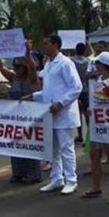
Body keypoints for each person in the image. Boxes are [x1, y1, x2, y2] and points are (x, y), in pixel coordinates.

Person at [29, 34, 82, 195]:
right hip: (50, 112)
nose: (43, 46)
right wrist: (34, 96)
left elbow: (76, 87)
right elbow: (48, 90)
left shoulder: (65, 63)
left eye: (45, 43)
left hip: (63, 112)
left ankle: (71, 180)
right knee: (53, 149)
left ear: (55, 45)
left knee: (66, 148)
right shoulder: (49, 64)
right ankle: (56, 179)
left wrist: (60, 103)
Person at [0, 43, 42, 184]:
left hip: (29, 116)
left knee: (28, 145)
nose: (16, 69)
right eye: (15, 66)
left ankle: (33, 174)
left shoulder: (32, 79)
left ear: (25, 67)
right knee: (15, 145)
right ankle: (18, 173)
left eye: (19, 66)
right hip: (15, 117)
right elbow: (1, 67)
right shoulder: (13, 78)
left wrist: (27, 52)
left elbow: (32, 67)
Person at [82, 52, 109, 204]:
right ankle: (95, 187)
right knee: (94, 155)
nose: (95, 66)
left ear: (104, 65)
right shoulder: (97, 80)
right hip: (96, 124)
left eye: (98, 63)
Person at [70, 42, 90, 144]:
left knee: (78, 113)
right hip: (85, 89)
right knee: (87, 113)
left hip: (75, 89)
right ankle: (89, 136)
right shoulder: (88, 61)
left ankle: (80, 135)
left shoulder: (71, 61)